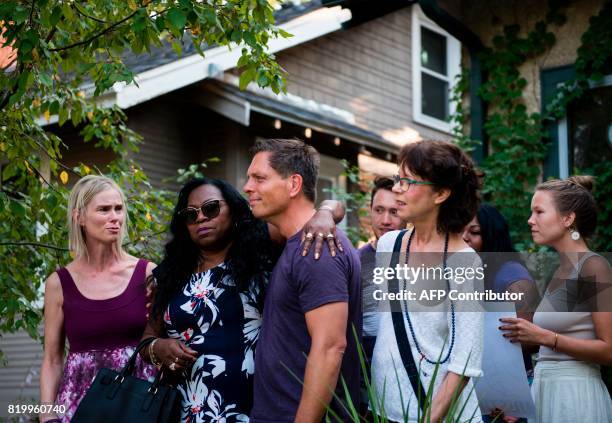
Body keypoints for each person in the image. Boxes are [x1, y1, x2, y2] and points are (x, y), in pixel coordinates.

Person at [141, 176, 345, 422]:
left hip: (255, 406)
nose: (201, 218)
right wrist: (158, 348)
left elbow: (334, 206)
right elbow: (147, 339)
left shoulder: (260, 245)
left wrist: (324, 214)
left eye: (211, 208)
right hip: (184, 406)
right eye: (190, 214)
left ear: (234, 209)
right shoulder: (172, 273)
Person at [246, 138, 362, 422]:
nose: (248, 187)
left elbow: (331, 348)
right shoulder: (297, 242)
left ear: (294, 184)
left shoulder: (317, 249)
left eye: (260, 178)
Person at [371, 140, 484, 422]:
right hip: (384, 406)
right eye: (398, 179)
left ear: (441, 193)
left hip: (439, 413)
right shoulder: (388, 245)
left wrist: (429, 419)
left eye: (408, 181)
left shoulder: (464, 262)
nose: (397, 188)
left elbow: (465, 360)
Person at [39, 175, 157, 422]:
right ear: (79, 217)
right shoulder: (58, 284)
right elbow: (52, 360)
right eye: (104, 209)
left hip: (138, 404)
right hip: (78, 407)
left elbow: (162, 342)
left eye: (118, 208)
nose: (115, 217)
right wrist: (47, 415)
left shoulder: (147, 273)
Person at [499, 176, 612, 423]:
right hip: (545, 390)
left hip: (575, 395)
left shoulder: (593, 266)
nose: (531, 220)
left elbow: (609, 350)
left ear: (568, 218)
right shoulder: (559, 269)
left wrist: (544, 337)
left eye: (539, 212)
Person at [463, 204, 539, 423]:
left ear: (492, 237)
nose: (465, 238)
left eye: (475, 232)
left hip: (505, 398)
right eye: (461, 231)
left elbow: (531, 339)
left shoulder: (512, 277)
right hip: (473, 391)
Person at [359, 176, 408, 414]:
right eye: (379, 210)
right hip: (366, 373)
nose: (385, 220)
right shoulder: (355, 260)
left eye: (394, 211)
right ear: (370, 211)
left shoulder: (422, 259)